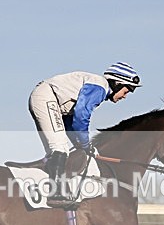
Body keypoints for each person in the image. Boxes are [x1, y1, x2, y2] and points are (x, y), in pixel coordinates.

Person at [28, 61, 141, 207]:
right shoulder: (99, 87)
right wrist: (86, 144)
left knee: (56, 149)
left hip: (47, 98)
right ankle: (55, 194)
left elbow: (71, 122)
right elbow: (81, 115)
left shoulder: (99, 88)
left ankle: (50, 190)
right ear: (117, 84)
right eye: (126, 91)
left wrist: (80, 145)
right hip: (47, 97)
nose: (125, 96)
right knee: (59, 147)